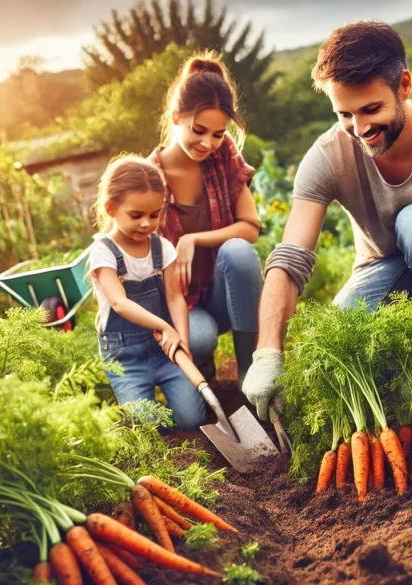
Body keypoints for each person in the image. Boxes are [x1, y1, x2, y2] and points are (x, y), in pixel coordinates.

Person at [241, 21, 412, 421]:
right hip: (380, 268)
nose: (360, 130)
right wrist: (267, 353)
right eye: (344, 114)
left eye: (371, 109)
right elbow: (289, 260)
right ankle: (410, 366)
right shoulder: (327, 156)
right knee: (330, 357)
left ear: (404, 86)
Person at [150, 52, 263, 389]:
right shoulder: (150, 178)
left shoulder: (222, 155)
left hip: (223, 292)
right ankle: (203, 369)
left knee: (239, 253)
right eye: (199, 131)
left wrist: (193, 239)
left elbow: (250, 228)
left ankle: (250, 375)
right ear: (175, 117)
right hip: (182, 303)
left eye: (218, 134)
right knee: (199, 339)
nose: (208, 144)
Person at [87, 155, 207, 430]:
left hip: (164, 351)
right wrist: (165, 326)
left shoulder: (162, 247)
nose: (146, 223)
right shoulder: (104, 251)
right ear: (111, 208)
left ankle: (174, 404)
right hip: (125, 355)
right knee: (146, 425)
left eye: (155, 215)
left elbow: (175, 297)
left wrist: (182, 341)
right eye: (136, 215)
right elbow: (119, 303)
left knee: (192, 420)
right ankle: (149, 412)